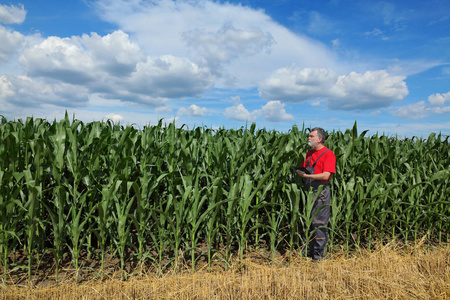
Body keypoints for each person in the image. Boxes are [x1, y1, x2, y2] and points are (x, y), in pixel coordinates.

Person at [296, 127, 336, 261]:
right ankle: (307, 253)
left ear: (319, 139)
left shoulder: (328, 154)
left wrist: (307, 175)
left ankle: (319, 257)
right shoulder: (309, 154)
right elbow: (305, 169)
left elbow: (326, 175)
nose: (309, 138)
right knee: (306, 222)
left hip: (320, 192)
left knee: (319, 223)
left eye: (311, 136)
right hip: (308, 191)